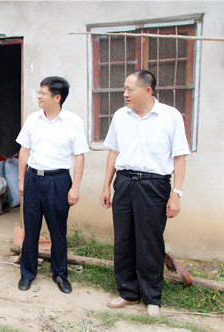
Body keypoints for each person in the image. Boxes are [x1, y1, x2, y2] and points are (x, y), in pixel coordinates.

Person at [100, 70, 189, 316]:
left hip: (154, 185)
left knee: (149, 241)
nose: (125, 93)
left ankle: (152, 298)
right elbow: (113, 152)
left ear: (148, 91)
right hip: (125, 182)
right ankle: (127, 292)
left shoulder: (170, 116)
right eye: (124, 89)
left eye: (130, 89)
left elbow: (179, 157)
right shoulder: (120, 116)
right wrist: (107, 185)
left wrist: (176, 193)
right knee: (124, 240)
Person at [16, 76, 89, 294]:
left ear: (57, 97)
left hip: (58, 181)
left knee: (58, 231)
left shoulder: (73, 122)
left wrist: (75, 186)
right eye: (38, 92)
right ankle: (27, 274)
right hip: (33, 179)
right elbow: (24, 151)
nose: (38, 96)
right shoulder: (32, 119)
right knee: (31, 230)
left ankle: (60, 274)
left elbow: (79, 156)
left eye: (43, 93)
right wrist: (21, 180)